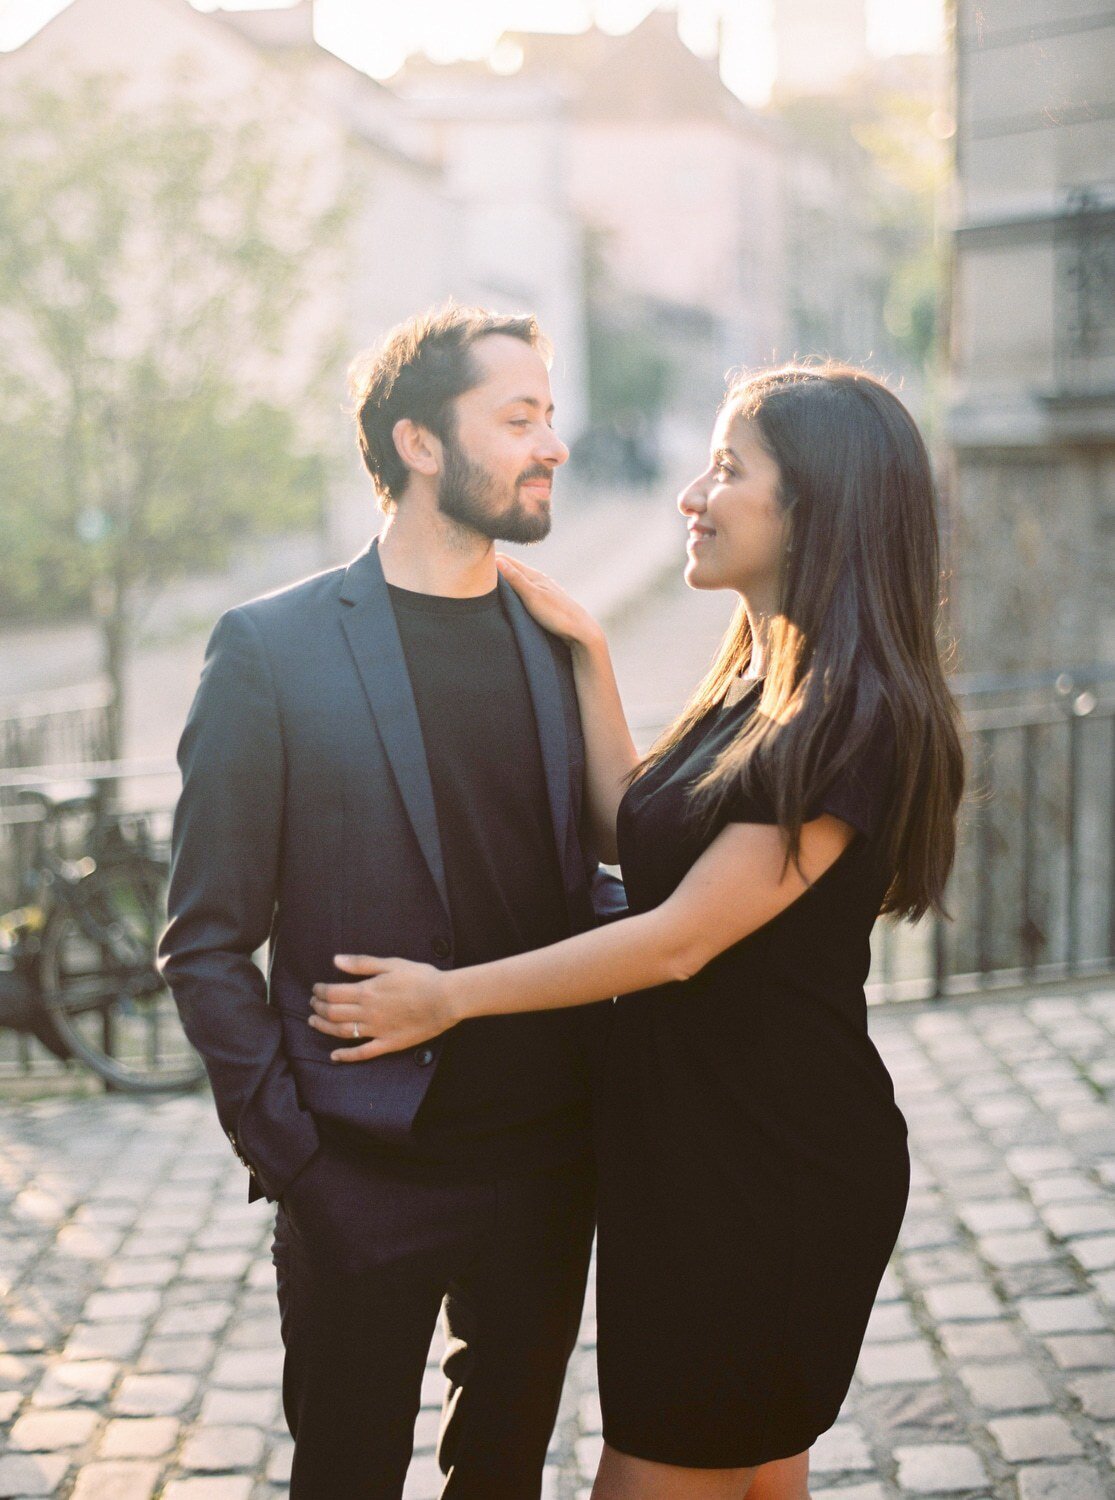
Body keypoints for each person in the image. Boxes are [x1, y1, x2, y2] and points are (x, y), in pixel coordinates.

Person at [308, 364, 967, 1500]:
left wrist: (447, 994)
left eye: (728, 467)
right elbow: (633, 830)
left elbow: (677, 939)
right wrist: (588, 652)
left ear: (818, 503)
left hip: (767, 1176)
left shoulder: (854, 715)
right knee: (754, 1476)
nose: (691, 495)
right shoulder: (758, 681)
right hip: (696, 1164)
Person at [159, 304, 624, 1500]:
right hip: (363, 1171)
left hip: (544, 1164)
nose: (549, 445)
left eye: (549, 418)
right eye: (516, 419)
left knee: (504, 1479)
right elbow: (203, 941)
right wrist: (302, 1164)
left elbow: (591, 878)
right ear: (419, 445)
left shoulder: (554, 633)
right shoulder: (269, 649)